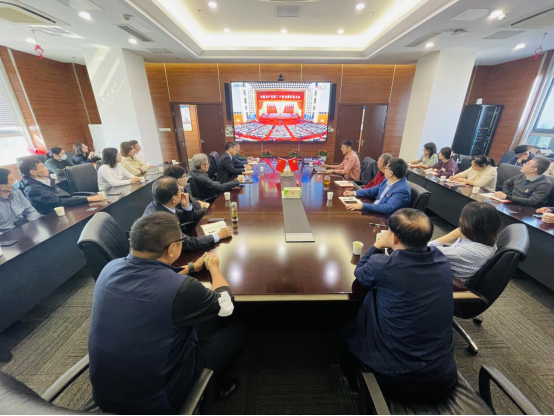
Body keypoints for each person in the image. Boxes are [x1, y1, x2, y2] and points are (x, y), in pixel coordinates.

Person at [89, 212, 248, 414]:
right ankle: (215, 386)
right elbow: (226, 306)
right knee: (238, 328)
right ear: (172, 248)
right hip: (155, 402)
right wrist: (213, 268)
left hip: (104, 395)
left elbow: (153, 274)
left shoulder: (109, 268)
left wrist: (192, 267)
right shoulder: (182, 289)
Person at [344, 208, 457, 401]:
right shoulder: (442, 261)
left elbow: (360, 272)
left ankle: (352, 378)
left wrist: (377, 245)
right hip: (443, 376)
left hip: (397, 379)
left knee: (354, 317)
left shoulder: (383, 265)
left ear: (394, 237)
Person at [143, 177, 232, 250]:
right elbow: (185, 243)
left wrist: (186, 206)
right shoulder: (161, 220)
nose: (183, 193)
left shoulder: (161, 204)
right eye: (180, 190)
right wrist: (218, 235)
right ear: (174, 199)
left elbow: (186, 217)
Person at [428, 202, 501, 284]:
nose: (460, 220)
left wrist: (453, 235)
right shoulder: (489, 239)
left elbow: (425, 250)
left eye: (463, 218)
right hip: (448, 268)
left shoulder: (468, 251)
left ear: (470, 225)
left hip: (447, 282)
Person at [17, 158, 105, 215]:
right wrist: (87, 199)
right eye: (42, 167)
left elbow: (64, 196)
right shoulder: (33, 189)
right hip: (55, 216)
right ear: (33, 172)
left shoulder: (45, 180)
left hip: (67, 207)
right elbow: (58, 202)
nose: (47, 168)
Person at [343, 157, 411, 215]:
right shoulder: (387, 180)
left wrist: (363, 206)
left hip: (384, 217)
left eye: (386, 168)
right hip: (375, 209)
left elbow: (388, 208)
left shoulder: (402, 190)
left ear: (391, 173)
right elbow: (372, 191)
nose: (384, 169)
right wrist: (354, 193)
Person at [0, 168, 41, 234]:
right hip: (7, 233)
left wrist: (33, 225)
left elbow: (31, 210)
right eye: (12, 179)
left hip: (26, 226)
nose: (16, 181)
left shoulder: (17, 192)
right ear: (2, 187)